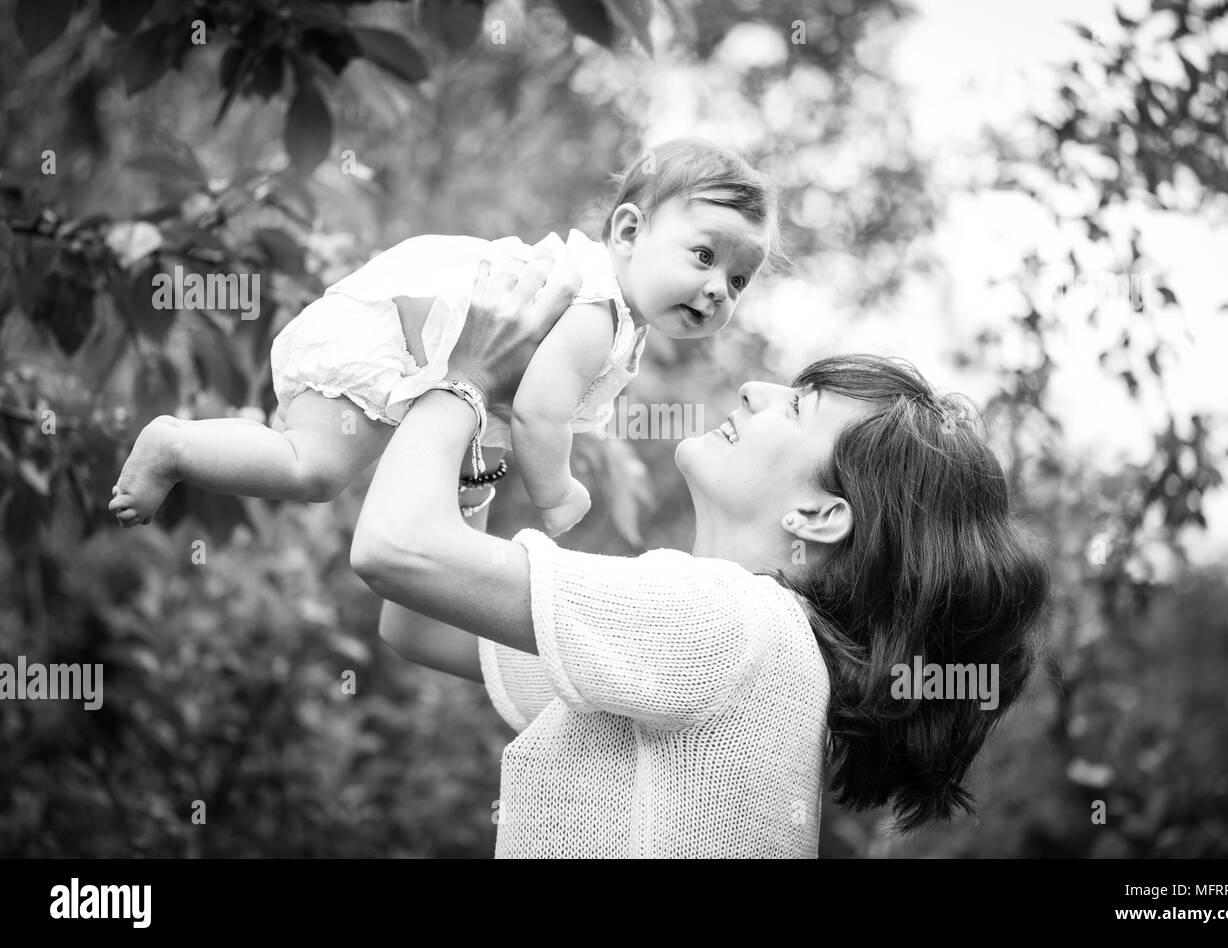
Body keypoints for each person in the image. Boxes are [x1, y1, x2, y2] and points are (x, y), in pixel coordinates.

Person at [350, 241, 1054, 858]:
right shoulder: (745, 644)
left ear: (818, 515)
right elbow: (417, 621)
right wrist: (482, 445)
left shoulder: (728, 625)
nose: (754, 390)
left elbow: (396, 548)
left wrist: (465, 378)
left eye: (798, 406)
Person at [108, 138, 778, 537]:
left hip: (390, 334)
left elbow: (497, 401)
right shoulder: (597, 308)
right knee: (313, 470)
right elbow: (540, 414)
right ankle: (175, 445)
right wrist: (558, 492)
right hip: (381, 340)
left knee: (310, 461)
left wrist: (468, 476)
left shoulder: (608, 310)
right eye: (704, 256)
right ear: (630, 233)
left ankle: (194, 442)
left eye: (740, 279)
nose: (720, 287)